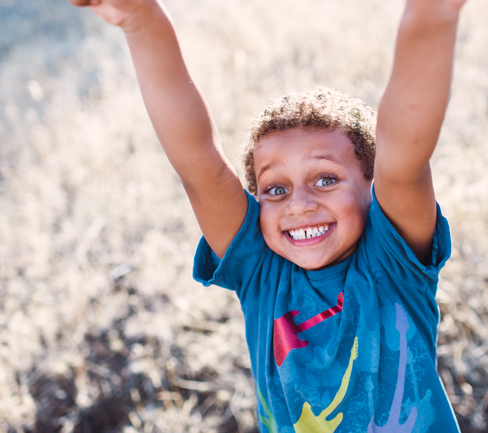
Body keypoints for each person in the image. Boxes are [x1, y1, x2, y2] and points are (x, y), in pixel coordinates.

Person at [67, 0, 466, 431]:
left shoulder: (393, 262)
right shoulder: (261, 274)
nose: (298, 204)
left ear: (373, 187)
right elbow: (198, 162)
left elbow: (405, 147)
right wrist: (140, 19)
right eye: (275, 189)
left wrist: (433, 13)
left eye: (326, 179)